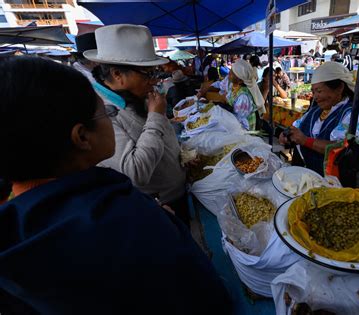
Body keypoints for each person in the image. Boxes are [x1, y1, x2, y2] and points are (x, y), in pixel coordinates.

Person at [0, 56, 232, 315]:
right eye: (105, 112)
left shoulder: (13, 231)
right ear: (82, 136)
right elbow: (205, 295)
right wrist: (156, 222)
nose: (112, 115)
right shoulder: (129, 219)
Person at [86, 24, 189, 225]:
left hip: (178, 190)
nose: (154, 81)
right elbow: (135, 172)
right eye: (147, 74)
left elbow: (161, 135)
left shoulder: (136, 95)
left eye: (155, 73)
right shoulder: (102, 113)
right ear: (117, 74)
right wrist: (156, 116)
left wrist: (181, 155)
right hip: (159, 206)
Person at [279, 62, 359, 176]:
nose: (315, 97)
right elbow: (296, 127)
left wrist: (305, 141)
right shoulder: (316, 111)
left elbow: (345, 151)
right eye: (313, 91)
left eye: (319, 91)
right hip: (310, 179)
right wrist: (287, 135)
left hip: (340, 186)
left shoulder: (355, 115)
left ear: (339, 88)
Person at [227, 59, 265, 130]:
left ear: (240, 80)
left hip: (244, 134)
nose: (229, 73)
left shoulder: (243, 97)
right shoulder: (235, 87)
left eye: (232, 73)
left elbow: (238, 121)